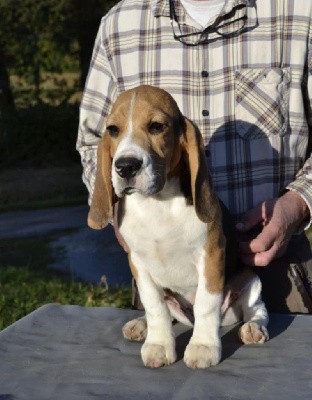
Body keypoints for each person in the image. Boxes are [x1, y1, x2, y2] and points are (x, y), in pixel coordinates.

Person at [77, 0, 312, 313]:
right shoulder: (120, 25)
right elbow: (96, 139)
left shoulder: (300, 13)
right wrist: (117, 209)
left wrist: (297, 203)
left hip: (277, 268)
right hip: (165, 282)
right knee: (163, 357)